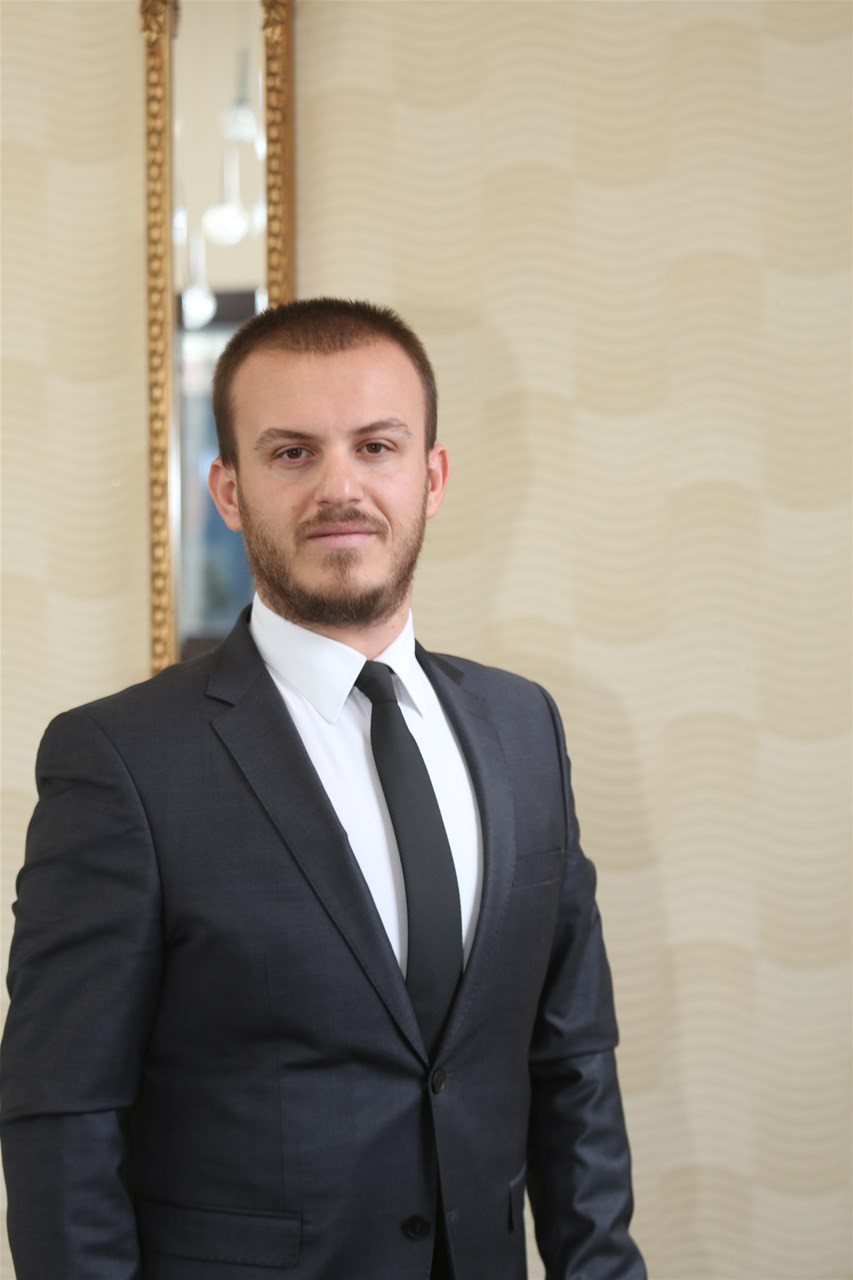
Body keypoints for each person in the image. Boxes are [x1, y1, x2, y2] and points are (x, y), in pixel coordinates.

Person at [1, 298, 645, 1280]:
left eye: (376, 446)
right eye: (292, 453)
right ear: (228, 489)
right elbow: (63, 1122)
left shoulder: (524, 727)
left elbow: (572, 1063)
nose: (339, 487)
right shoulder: (119, 760)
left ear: (431, 477)